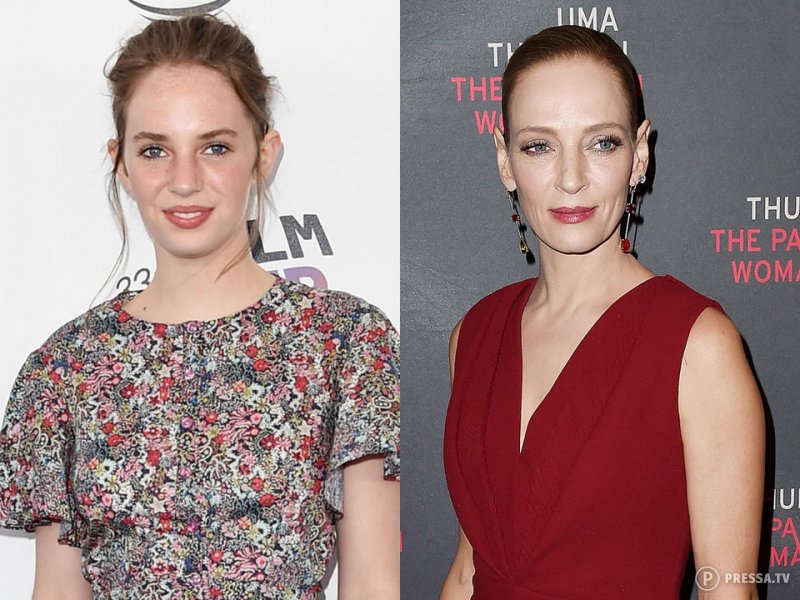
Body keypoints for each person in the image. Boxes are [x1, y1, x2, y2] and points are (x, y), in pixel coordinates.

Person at [0, 15, 399, 600]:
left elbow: (372, 586)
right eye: (155, 150)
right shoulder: (65, 370)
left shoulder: (344, 342)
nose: (184, 181)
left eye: (215, 147)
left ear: (263, 154)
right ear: (121, 163)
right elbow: (57, 592)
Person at [441, 26, 763, 600]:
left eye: (602, 143)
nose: (571, 178)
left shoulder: (697, 345)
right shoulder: (475, 333)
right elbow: (470, 569)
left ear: (639, 155)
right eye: (539, 146)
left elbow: (729, 592)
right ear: (505, 160)